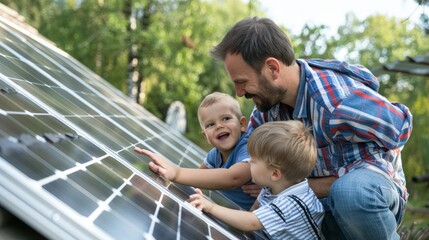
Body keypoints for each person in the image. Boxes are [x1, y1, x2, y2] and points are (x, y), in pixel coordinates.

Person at [210, 16, 413, 240]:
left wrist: (326, 182)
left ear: (272, 68)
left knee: (349, 192)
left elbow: (400, 127)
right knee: (257, 177)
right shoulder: (265, 112)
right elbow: (243, 167)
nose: (239, 93)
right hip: (318, 210)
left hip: (366, 199)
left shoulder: (337, 100)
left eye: (241, 81)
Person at [189, 121, 324, 240]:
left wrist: (211, 207)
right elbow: (251, 213)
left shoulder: (291, 204)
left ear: (275, 173)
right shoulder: (274, 186)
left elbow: (250, 222)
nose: (248, 162)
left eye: (253, 161)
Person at [134, 92, 256, 210]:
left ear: (242, 124)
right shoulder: (214, 155)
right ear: (205, 136)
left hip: (256, 219)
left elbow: (233, 178)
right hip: (234, 213)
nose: (219, 126)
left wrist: (176, 173)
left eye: (226, 118)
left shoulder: (247, 147)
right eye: (210, 124)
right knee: (184, 206)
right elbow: (194, 181)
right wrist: (163, 181)